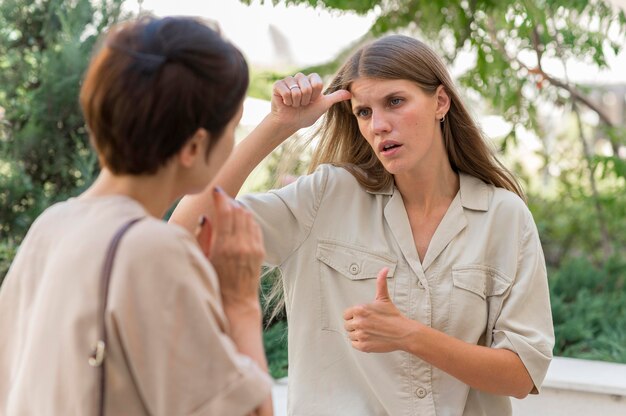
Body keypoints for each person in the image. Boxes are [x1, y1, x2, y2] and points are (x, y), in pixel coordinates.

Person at [171, 34, 554, 416]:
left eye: (395, 102)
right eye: (364, 112)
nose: (379, 125)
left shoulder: (504, 217)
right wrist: (278, 125)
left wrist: (409, 335)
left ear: (440, 102)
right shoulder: (325, 197)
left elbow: (522, 374)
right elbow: (182, 235)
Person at [0, 16, 273, 416]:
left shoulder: (53, 224)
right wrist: (240, 300)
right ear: (194, 146)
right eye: (233, 126)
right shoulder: (153, 250)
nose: (231, 141)